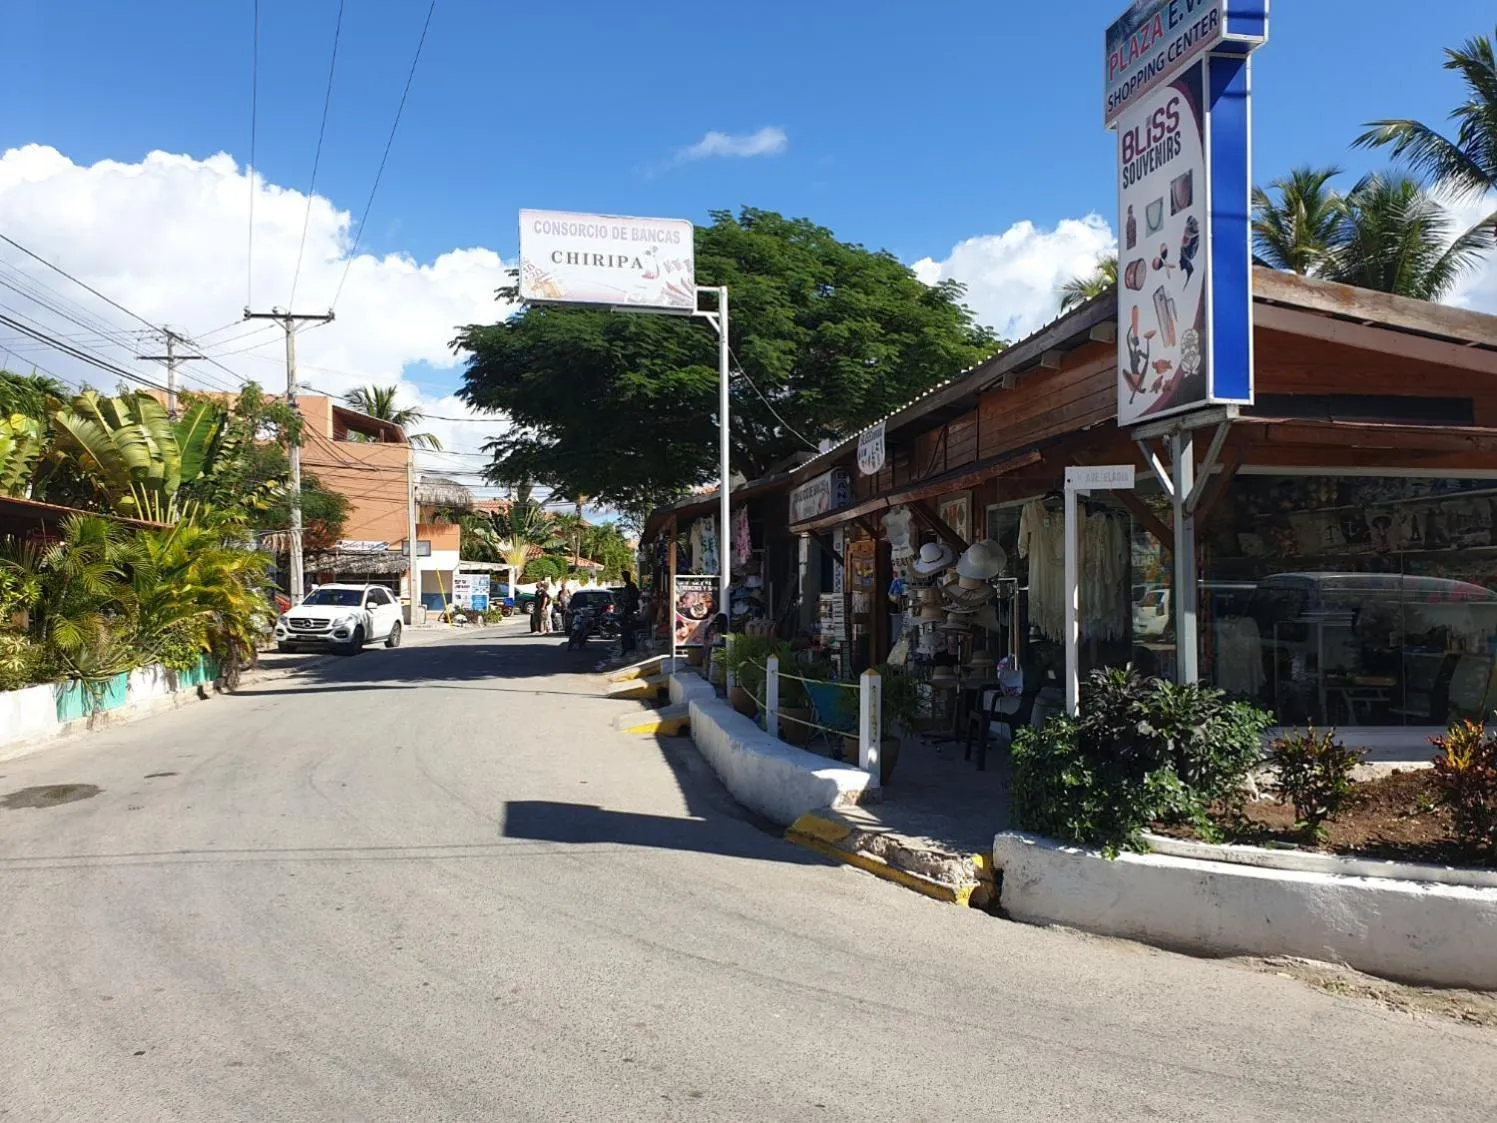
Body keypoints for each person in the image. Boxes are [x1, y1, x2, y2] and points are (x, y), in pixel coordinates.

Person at [618, 572, 641, 655]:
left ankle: (628, 647)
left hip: (630, 611)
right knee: (624, 631)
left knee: (627, 631)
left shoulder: (631, 586)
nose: (624, 578)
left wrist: (627, 602)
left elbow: (634, 597)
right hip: (626, 611)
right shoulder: (628, 586)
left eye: (625, 576)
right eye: (623, 576)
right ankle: (627, 647)